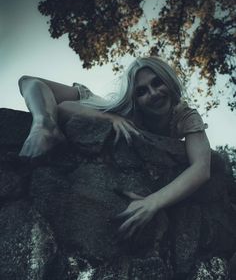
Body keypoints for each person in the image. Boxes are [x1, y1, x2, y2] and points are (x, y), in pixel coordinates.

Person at [18, 56, 211, 239]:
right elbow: (64, 107)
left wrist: (152, 202)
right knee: (28, 81)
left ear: (168, 80)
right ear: (134, 99)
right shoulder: (128, 112)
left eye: (157, 82)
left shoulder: (185, 115)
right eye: (141, 91)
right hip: (104, 107)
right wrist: (108, 118)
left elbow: (201, 168)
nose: (153, 94)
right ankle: (42, 126)